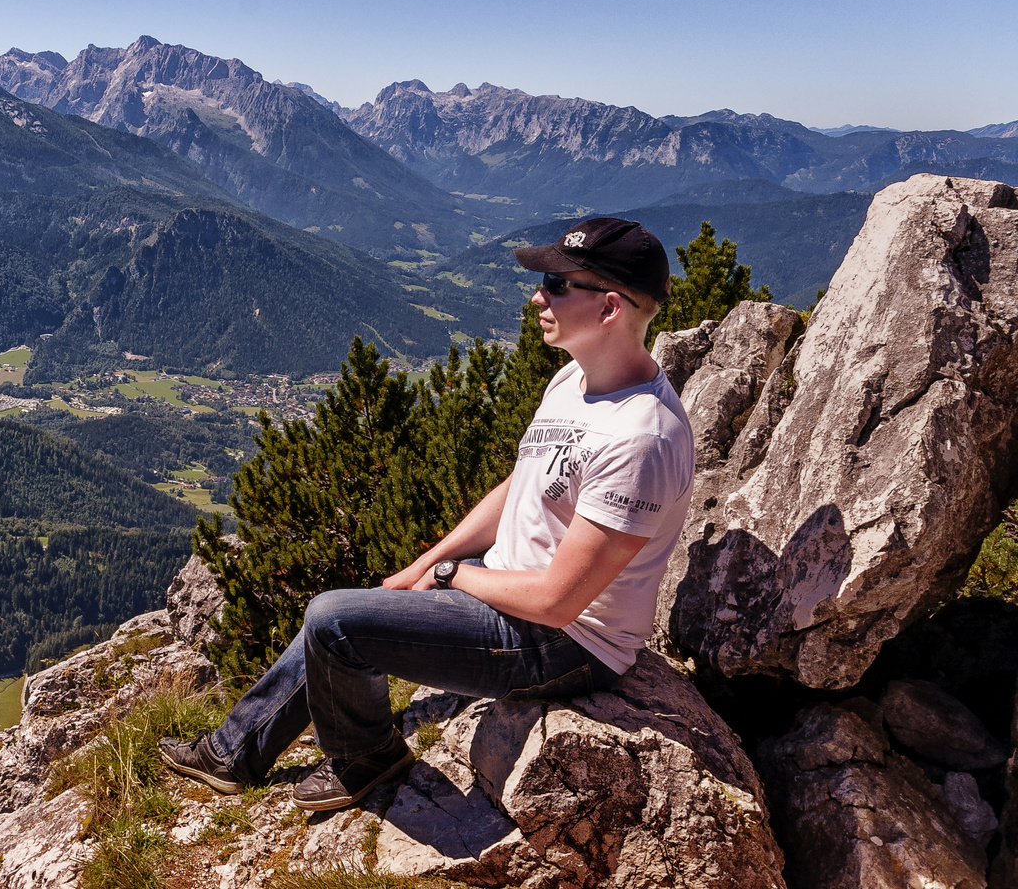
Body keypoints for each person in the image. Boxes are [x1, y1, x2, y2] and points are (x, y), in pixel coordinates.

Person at [160, 217, 695, 812]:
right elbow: (523, 484)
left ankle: (367, 757)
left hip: (565, 646)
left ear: (610, 309)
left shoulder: (641, 437)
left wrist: (451, 577)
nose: (538, 295)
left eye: (558, 283)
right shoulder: (576, 379)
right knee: (351, 611)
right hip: (510, 598)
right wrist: (430, 560)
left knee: (336, 621)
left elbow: (557, 602)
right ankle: (234, 752)